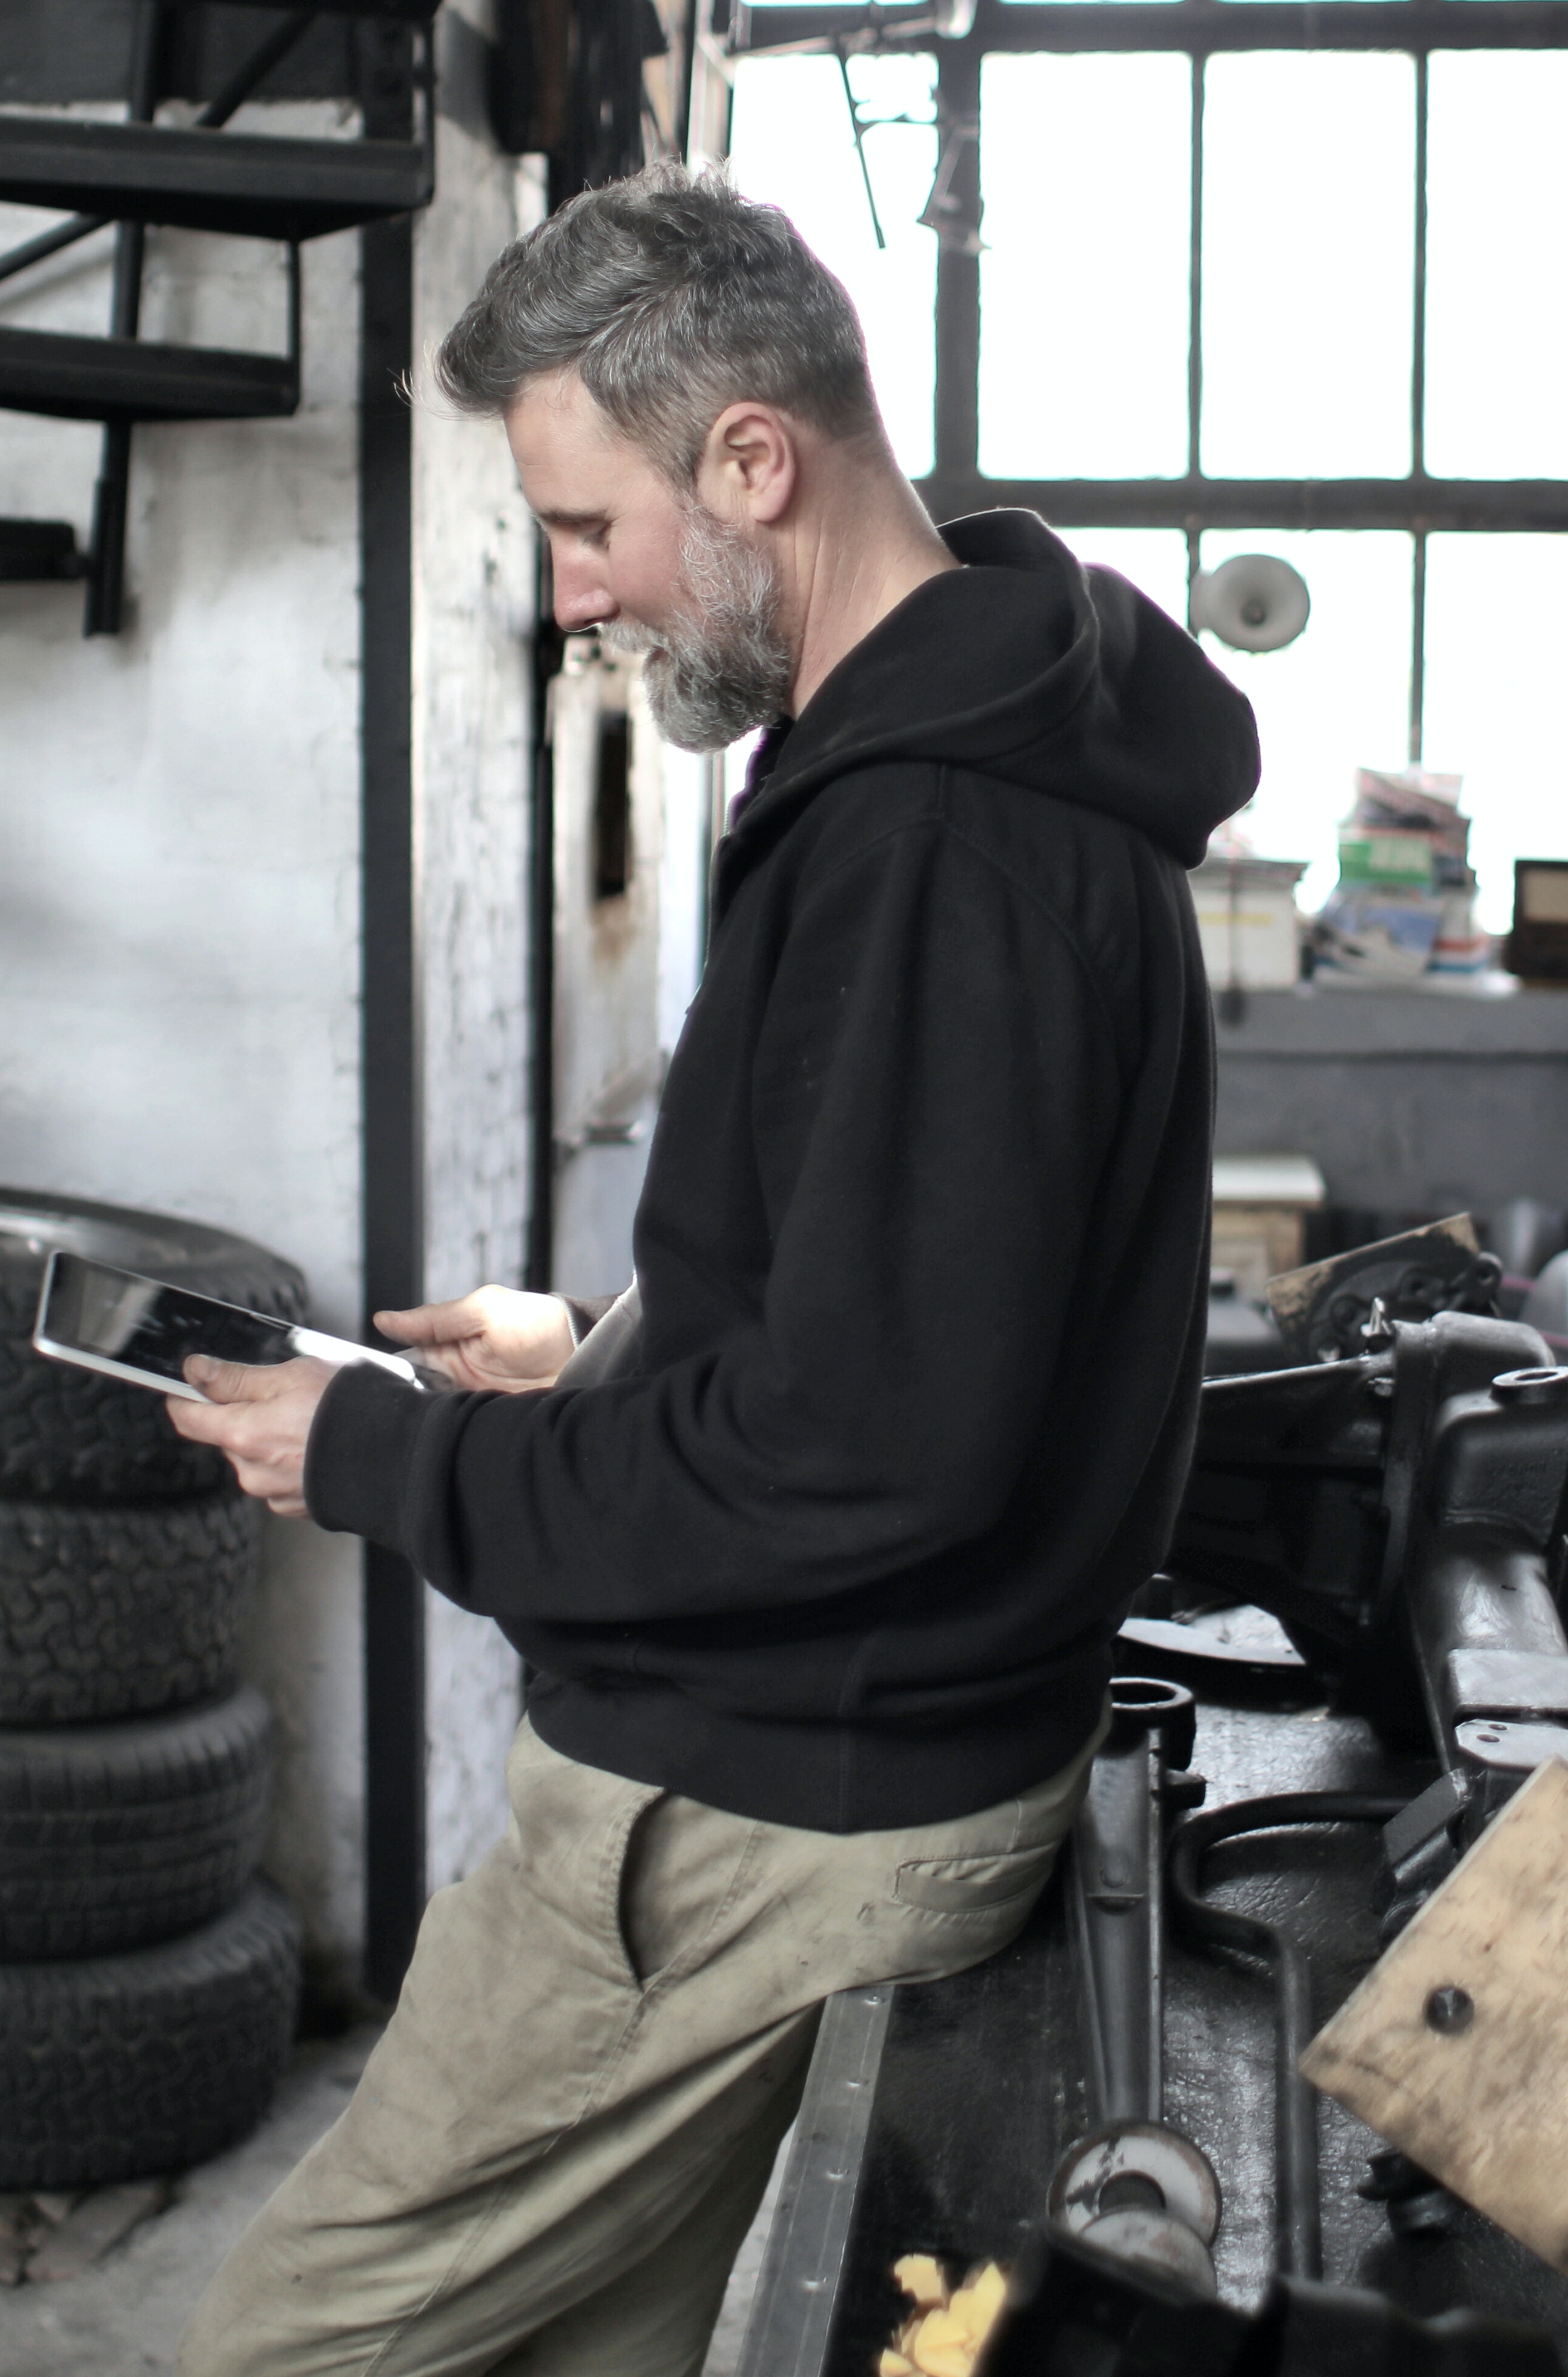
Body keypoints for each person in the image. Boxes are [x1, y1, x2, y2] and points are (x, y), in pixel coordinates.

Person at [164, 162, 1259, 2377]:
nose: (574, 598)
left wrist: (386, 1461)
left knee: (283, 2350)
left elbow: (870, 1455)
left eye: (589, 527)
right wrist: (615, 1357)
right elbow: (903, 1298)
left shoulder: (938, 843)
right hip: (850, 1759)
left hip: (772, 1798)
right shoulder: (969, 753)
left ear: (753, 460)